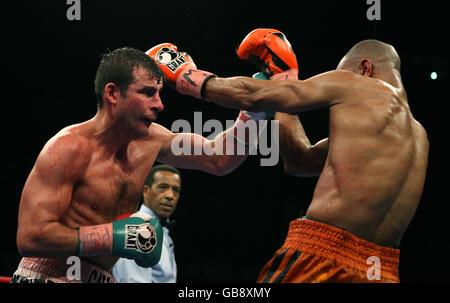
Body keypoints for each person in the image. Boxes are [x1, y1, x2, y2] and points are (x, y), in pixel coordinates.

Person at [147, 28, 429, 282]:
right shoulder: (418, 136)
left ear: (365, 67)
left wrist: (188, 78)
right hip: (382, 270)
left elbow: (252, 94)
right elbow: (299, 161)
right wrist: (283, 82)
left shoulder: (359, 84)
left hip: (321, 257)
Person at [13, 47, 265, 283]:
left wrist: (257, 108)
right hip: (45, 277)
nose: (159, 104)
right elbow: (31, 236)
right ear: (112, 93)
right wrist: (112, 238)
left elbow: (219, 158)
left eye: (158, 93)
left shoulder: (152, 140)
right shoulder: (68, 148)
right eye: (147, 93)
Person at [113, 165, 181, 283]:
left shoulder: (162, 231)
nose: (170, 196)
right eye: (163, 187)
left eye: (175, 190)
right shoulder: (137, 227)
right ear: (146, 191)